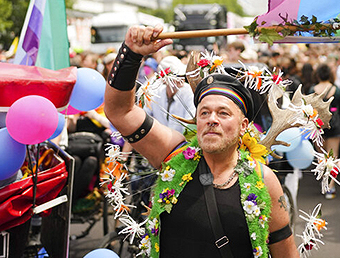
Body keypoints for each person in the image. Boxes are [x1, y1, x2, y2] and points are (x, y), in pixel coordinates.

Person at [104, 25, 297, 257]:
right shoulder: (173, 154)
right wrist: (131, 54)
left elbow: (285, 253)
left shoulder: (263, 179)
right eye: (204, 113)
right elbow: (120, 112)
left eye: (223, 113)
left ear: (244, 126)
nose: (211, 119)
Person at [311, 63, 340, 199]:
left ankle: (324, 183)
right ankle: (331, 187)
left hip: (318, 124)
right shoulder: (336, 89)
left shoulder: (313, 89)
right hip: (334, 123)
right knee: (333, 156)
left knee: (321, 155)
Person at [144, 55, 196, 133]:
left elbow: (189, 128)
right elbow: (145, 116)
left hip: (183, 142)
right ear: (164, 80)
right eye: (176, 76)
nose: (181, 79)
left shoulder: (189, 92)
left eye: (182, 75)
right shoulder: (156, 92)